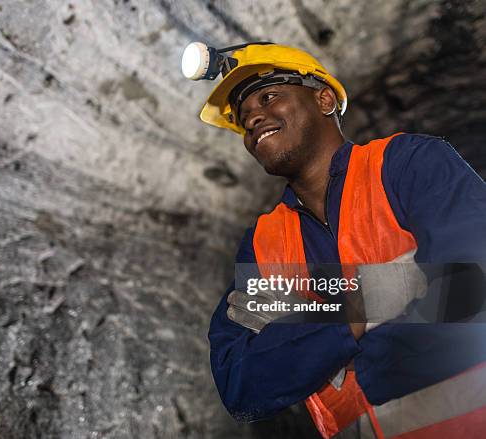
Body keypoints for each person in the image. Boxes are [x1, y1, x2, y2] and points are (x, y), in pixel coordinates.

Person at [190, 43, 486, 438]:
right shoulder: (263, 244)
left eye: (269, 96)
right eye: (244, 119)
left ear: (324, 99)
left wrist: (321, 345)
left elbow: (471, 288)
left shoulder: (407, 165)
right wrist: (367, 306)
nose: (255, 118)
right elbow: (241, 387)